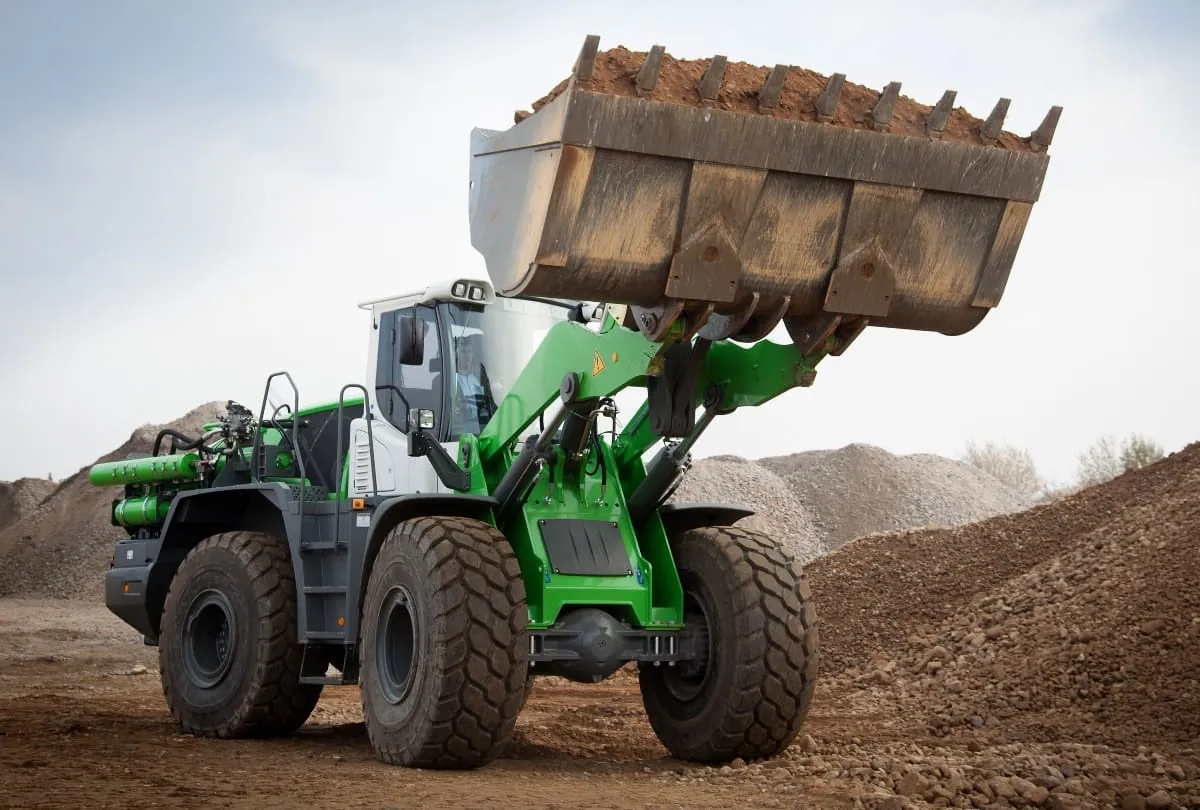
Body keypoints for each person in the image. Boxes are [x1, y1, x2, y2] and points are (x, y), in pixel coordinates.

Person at [453, 334, 494, 434]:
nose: (467, 356)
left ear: (473, 354)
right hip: (462, 433)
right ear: (457, 354)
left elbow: (490, 403)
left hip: (484, 429)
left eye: (469, 351)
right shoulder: (453, 380)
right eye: (463, 351)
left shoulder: (478, 378)